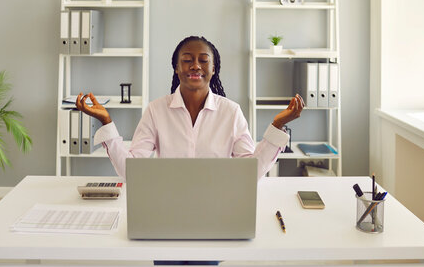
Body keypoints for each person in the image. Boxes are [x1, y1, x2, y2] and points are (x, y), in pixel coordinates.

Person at [76, 35, 304, 180]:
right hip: (167, 208)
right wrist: (107, 123)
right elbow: (131, 171)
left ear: (214, 69)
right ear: (176, 67)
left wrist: (278, 125)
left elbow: (250, 171)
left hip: (217, 209)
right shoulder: (156, 110)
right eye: (187, 59)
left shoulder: (231, 112)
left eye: (203, 60)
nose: (195, 65)